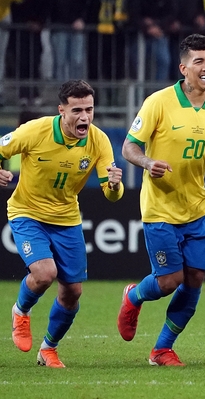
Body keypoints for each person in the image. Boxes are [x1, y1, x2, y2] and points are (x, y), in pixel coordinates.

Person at [116, 34, 205, 366]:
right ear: (183, 67)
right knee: (169, 281)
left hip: (198, 207)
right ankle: (134, 295)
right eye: (199, 61)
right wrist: (147, 163)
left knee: (195, 278)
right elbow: (129, 147)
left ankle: (162, 349)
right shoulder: (159, 102)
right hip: (159, 206)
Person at [4, 79, 124, 368]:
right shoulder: (35, 130)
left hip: (67, 219)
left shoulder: (98, 140)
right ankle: (21, 311)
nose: (84, 117)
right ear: (62, 111)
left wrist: (114, 185)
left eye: (89, 110)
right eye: (77, 110)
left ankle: (48, 349)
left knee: (73, 292)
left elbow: (111, 194)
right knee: (45, 273)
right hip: (27, 212)